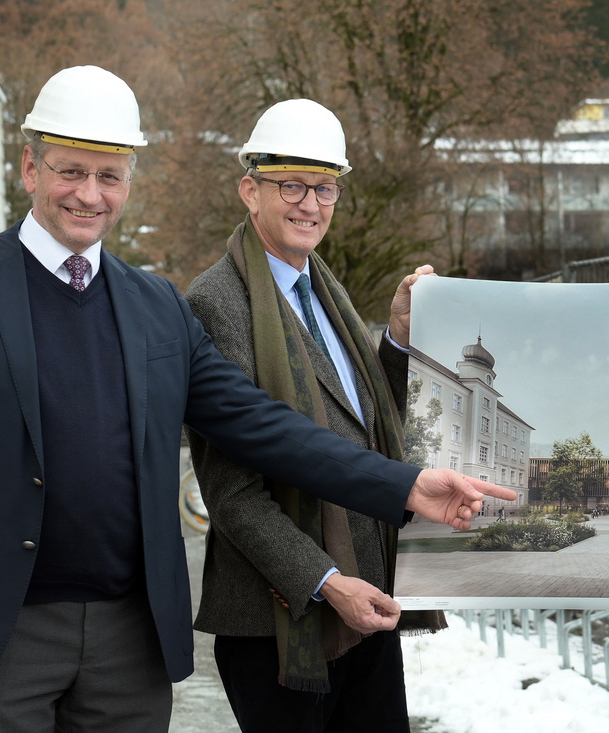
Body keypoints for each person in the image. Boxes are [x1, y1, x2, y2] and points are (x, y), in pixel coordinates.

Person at [0, 67, 516, 732]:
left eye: (109, 176)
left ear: (128, 183)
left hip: (128, 640)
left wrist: (405, 484)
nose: (90, 194)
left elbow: (266, 429)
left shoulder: (157, 307)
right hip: (0, 633)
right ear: (30, 167)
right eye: (71, 172)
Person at [183, 98, 445, 732]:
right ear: (250, 190)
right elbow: (233, 493)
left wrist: (400, 343)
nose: (309, 203)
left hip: (369, 599)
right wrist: (327, 583)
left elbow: (354, 419)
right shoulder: (217, 302)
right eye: (290, 185)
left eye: (324, 187)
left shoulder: (325, 288)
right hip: (283, 618)